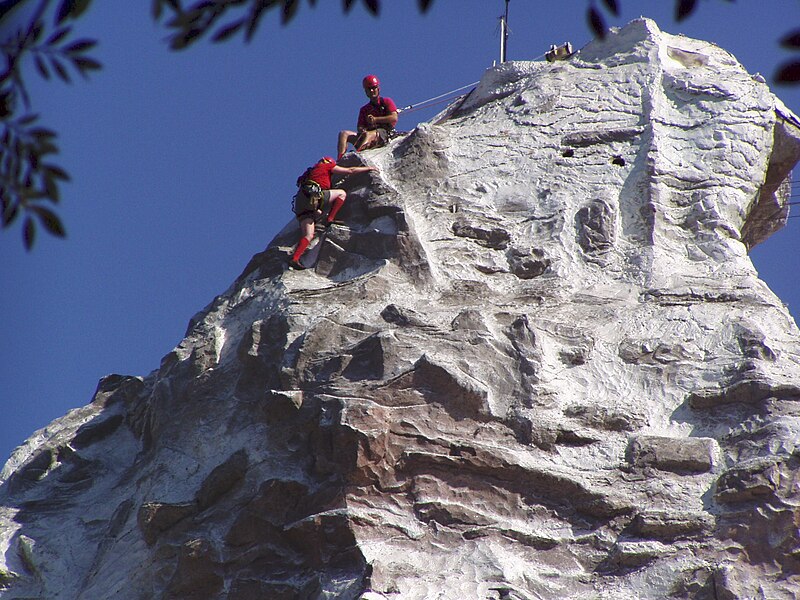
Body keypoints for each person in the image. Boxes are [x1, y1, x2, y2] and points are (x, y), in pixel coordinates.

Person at [289, 156, 378, 270]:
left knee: (309, 234)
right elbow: (350, 171)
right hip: (313, 197)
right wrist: (369, 168)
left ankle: (295, 258)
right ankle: (330, 219)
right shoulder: (327, 165)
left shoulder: (311, 171)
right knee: (341, 193)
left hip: (301, 204)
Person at [337, 74, 399, 159]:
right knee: (344, 134)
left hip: (384, 134)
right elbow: (360, 127)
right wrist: (363, 130)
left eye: (374, 88)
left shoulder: (386, 101)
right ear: (366, 91)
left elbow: (394, 117)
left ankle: (358, 154)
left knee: (370, 134)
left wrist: (375, 119)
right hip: (366, 136)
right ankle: (340, 159)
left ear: (378, 89)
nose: (372, 91)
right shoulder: (364, 109)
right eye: (369, 89)